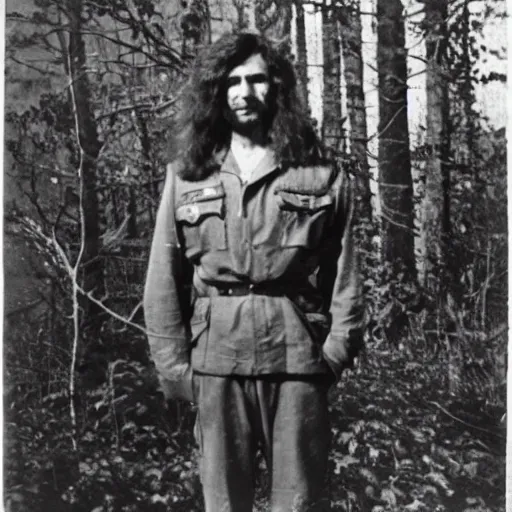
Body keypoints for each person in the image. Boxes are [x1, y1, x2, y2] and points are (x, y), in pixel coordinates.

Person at [143, 31, 364, 512]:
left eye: (257, 79)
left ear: (276, 87)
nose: (245, 92)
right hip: (216, 360)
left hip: (298, 360)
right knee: (223, 504)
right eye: (233, 81)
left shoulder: (318, 172)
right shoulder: (188, 175)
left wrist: (334, 353)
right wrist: (176, 368)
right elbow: (164, 277)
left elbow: (344, 274)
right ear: (217, 93)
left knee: (300, 503)